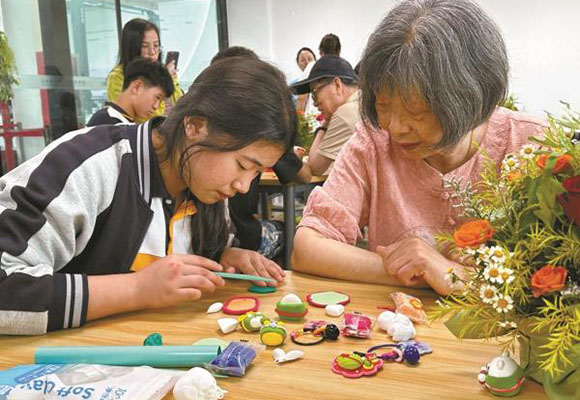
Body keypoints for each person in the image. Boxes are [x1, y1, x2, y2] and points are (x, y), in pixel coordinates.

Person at [0, 57, 296, 335]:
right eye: (243, 165)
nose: (244, 185)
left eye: (257, 172)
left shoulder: (205, 187)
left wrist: (222, 257)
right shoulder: (90, 163)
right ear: (194, 126)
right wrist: (137, 289)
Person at [292, 0, 546, 295]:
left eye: (415, 110)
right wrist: (418, 271)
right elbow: (308, 248)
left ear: (470, 98)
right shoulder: (374, 142)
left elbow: (563, 278)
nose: (395, 126)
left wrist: (451, 274)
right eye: (383, 105)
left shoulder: (531, 146)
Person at [210, 46, 311, 262]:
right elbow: (306, 176)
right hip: (241, 237)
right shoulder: (263, 129)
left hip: (226, 243)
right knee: (289, 233)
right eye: (244, 165)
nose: (243, 185)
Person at [291, 55, 360, 175]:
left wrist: (324, 125)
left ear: (337, 85)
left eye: (314, 93)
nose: (314, 103)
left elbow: (314, 167)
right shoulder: (361, 102)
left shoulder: (345, 113)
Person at [107, 18, 183, 122]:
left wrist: (170, 80)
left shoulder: (162, 73)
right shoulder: (117, 76)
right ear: (132, 48)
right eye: (145, 46)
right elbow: (146, 118)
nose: (152, 52)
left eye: (156, 46)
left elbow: (182, 106)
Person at [88, 58, 173, 126]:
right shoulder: (108, 124)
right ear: (137, 87)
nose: (156, 106)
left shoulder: (124, 123)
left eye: (160, 101)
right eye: (157, 97)